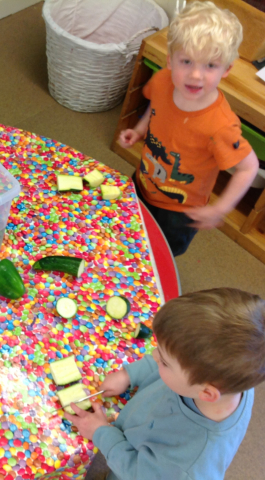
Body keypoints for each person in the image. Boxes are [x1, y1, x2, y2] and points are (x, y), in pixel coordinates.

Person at [67, 288, 265, 480]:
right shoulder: (228, 378)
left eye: (163, 362)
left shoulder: (186, 467)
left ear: (207, 392)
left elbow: (136, 473)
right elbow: (174, 356)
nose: (154, 355)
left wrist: (100, 433)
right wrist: (129, 375)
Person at [118, 1, 259, 256]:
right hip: (143, 180)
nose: (195, 75)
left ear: (226, 69)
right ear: (170, 60)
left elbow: (249, 167)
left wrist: (220, 208)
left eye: (210, 66)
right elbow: (154, 108)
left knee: (161, 253)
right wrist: (139, 130)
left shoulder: (220, 125)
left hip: (180, 209)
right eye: (186, 61)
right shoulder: (162, 80)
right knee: (129, 228)